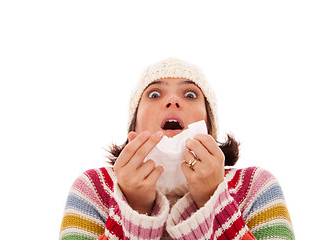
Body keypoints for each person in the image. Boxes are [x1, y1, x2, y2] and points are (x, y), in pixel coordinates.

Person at [59, 58, 294, 240]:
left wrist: (213, 200)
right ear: (135, 124)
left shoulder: (256, 186)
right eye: (154, 94)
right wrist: (135, 208)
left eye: (190, 94)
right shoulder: (92, 188)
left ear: (210, 126)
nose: (172, 101)